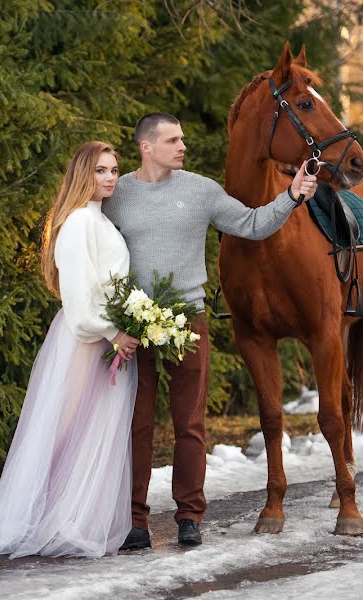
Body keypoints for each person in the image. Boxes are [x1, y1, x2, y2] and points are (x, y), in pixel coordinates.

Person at [102, 113, 318, 549]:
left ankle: (189, 516)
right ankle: (135, 521)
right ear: (147, 146)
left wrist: (293, 195)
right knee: (135, 425)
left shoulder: (200, 190)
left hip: (188, 320)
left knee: (190, 424)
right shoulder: (117, 193)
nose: (183, 146)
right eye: (172, 140)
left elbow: (252, 224)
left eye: (182, 139)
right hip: (133, 326)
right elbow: (90, 241)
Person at [0, 141, 141, 559]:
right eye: (100, 170)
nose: (110, 177)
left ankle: (67, 515)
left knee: (90, 430)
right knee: (63, 428)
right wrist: (112, 332)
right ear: (82, 174)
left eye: (114, 170)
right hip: (86, 340)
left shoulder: (99, 219)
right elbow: (78, 300)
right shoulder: (77, 222)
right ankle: (32, 517)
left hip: (108, 338)